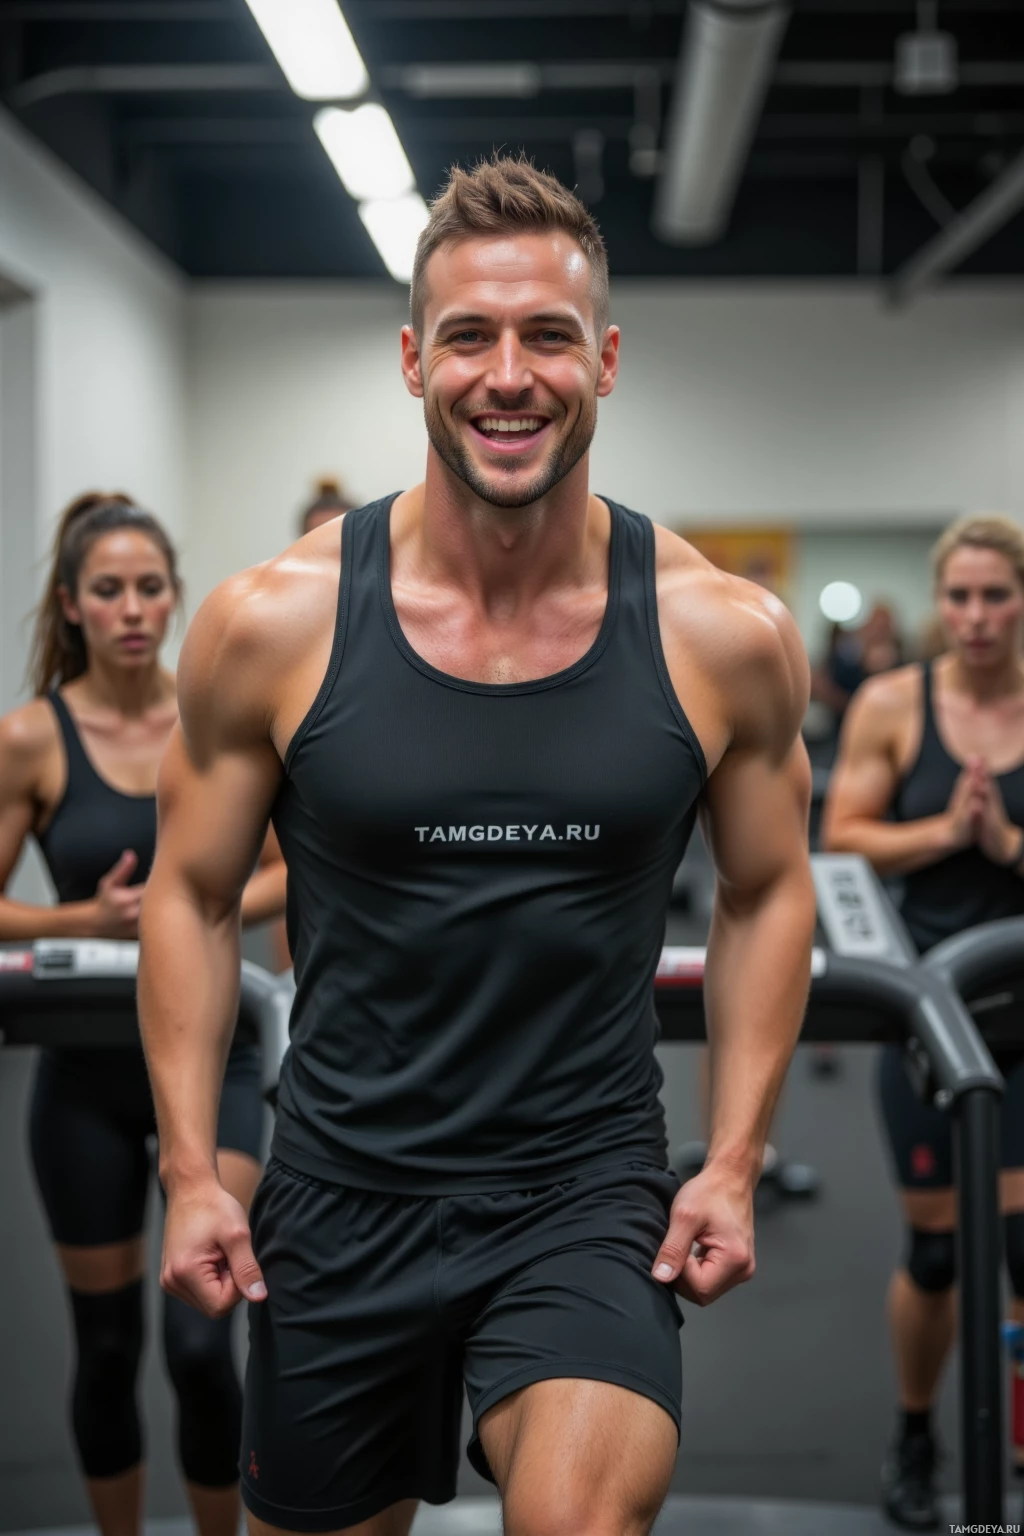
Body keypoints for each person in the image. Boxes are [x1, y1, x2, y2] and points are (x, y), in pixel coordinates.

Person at [139, 154, 816, 1536]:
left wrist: (736, 1158)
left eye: (548, 336)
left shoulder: (722, 635)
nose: (509, 375)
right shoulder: (272, 624)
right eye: (470, 337)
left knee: (574, 1522)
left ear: (606, 358)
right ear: (413, 360)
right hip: (339, 1194)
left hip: (585, 1190)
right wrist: (196, 1169)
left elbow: (768, 890)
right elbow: (194, 894)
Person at [0, 492, 287, 1536]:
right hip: (85, 1078)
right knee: (109, 1346)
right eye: (108, 590)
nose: (133, 609)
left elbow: (285, 866)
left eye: (151, 587)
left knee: (204, 1344)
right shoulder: (30, 739)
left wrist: (178, 915)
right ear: (72, 606)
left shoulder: (213, 718)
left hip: (221, 1066)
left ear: (175, 599)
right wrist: (86, 917)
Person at [822, 514, 1024, 1531]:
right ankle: (915, 1433)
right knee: (937, 1252)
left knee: (1023, 1246)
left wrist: (1007, 840)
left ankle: (1019, 1448)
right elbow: (840, 836)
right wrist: (948, 831)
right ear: (939, 603)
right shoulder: (897, 704)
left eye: (996, 595)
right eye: (959, 597)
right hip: (923, 1010)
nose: (976, 616)